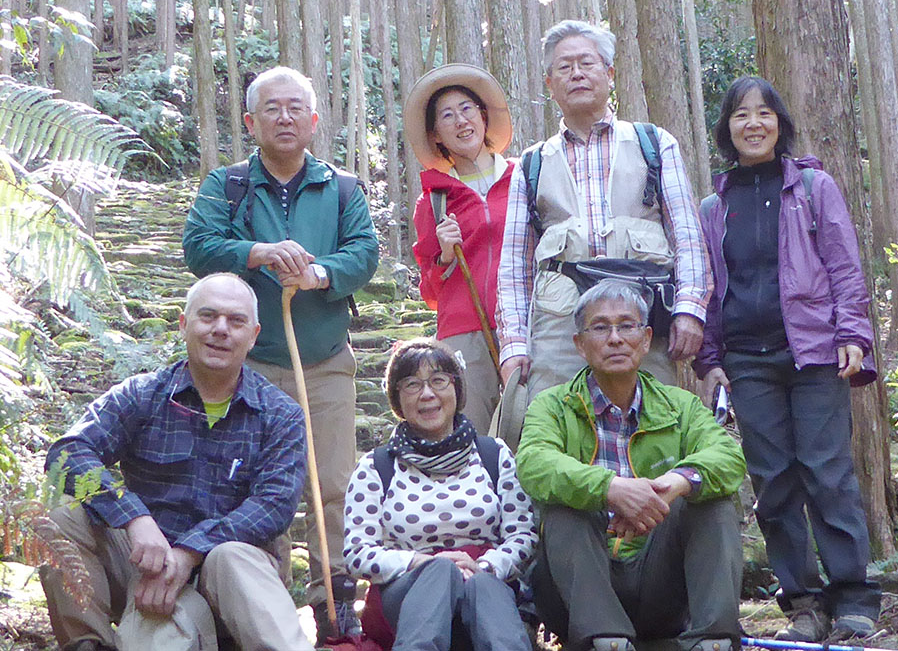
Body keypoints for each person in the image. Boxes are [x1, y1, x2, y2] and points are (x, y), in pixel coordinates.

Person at [182, 66, 379, 638]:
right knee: (254, 483)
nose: (285, 117)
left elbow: (364, 252)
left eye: (296, 108)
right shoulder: (228, 185)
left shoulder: (341, 187)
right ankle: (259, 601)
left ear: (315, 121)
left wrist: (318, 272)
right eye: (273, 108)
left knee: (334, 482)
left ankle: (334, 600)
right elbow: (199, 247)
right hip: (249, 366)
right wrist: (261, 252)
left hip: (324, 359)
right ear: (251, 121)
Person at [694, 76, 882, 642]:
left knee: (828, 475)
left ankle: (853, 596)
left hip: (815, 353)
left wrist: (854, 333)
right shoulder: (714, 204)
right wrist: (708, 359)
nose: (753, 124)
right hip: (747, 360)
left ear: (780, 122)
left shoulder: (813, 187)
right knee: (773, 482)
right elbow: (705, 285)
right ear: (727, 129)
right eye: (740, 115)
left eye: (764, 113)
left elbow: (844, 265)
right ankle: (801, 599)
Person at [39, 273, 313, 651]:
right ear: (184, 325)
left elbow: (274, 506)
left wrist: (190, 552)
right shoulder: (143, 395)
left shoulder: (280, 414)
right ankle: (90, 644)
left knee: (230, 555)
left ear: (253, 335)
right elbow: (67, 453)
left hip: (233, 578)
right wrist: (133, 517)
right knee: (62, 519)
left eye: (236, 321)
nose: (220, 329)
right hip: (147, 567)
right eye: (208, 316)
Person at [516, 280, 746, 651]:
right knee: (563, 509)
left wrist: (674, 484)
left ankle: (712, 640)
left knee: (710, 498)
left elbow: (728, 457)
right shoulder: (552, 405)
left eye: (627, 326)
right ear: (579, 344)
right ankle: (606, 641)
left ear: (645, 338)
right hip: (579, 592)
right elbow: (534, 463)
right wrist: (611, 490)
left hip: (659, 581)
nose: (615, 338)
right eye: (600, 327)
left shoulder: (679, 405)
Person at [496, 20, 711, 401]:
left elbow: (687, 236)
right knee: (559, 430)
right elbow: (515, 265)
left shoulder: (654, 144)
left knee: (656, 426)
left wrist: (689, 311)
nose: (576, 73)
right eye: (564, 67)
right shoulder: (532, 163)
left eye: (587, 63)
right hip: (559, 329)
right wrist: (514, 345)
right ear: (549, 83)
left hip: (643, 321)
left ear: (610, 74)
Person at [343, 338, 537, 651]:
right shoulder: (377, 466)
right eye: (412, 384)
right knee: (440, 572)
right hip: (405, 594)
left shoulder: (493, 454)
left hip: (484, 588)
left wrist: (484, 565)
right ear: (397, 398)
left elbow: (523, 536)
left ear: (456, 390)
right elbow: (357, 553)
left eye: (438, 381)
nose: (428, 394)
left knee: (484, 585)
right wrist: (421, 563)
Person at [404, 64, 514, 434]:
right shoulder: (433, 201)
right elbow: (431, 293)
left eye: (467, 109)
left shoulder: (525, 178)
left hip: (527, 322)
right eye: (447, 116)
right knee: (473, 434)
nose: (460, 121)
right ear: (436, 135)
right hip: (464, 333)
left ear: (483, 117)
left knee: (531, 431)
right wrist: (447, 256)